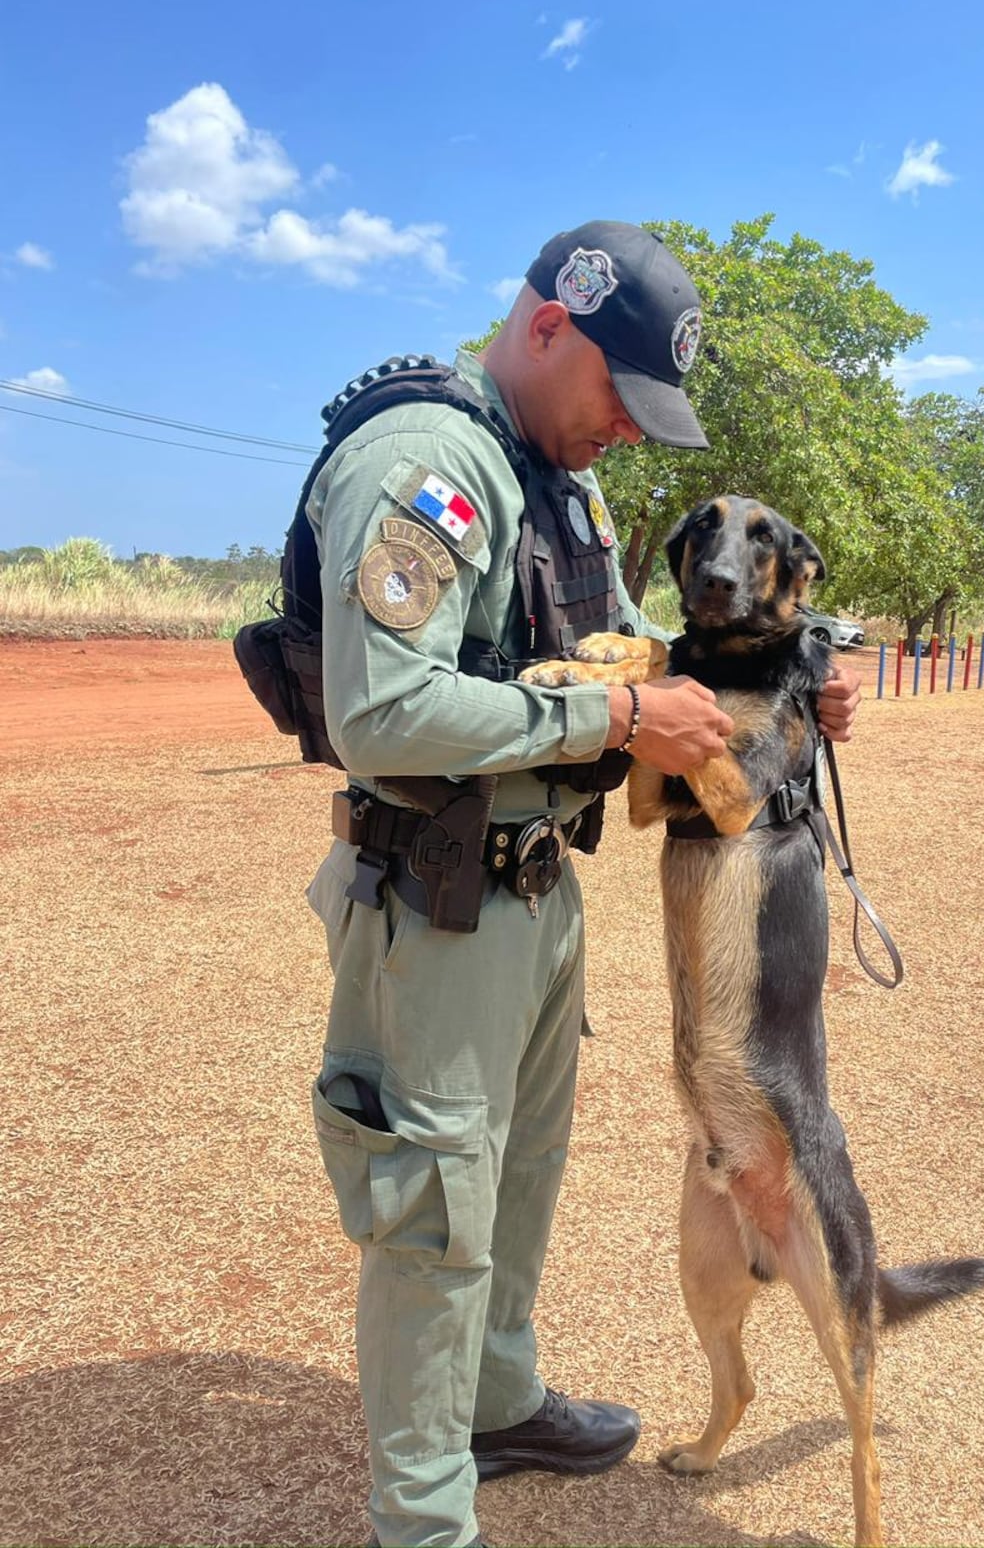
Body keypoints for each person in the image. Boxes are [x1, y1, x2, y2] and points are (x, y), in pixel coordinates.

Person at [303, 220, 862, 1547]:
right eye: (620, 396)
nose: (626, 431)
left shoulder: (559, 482)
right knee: (437, 1210)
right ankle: (425, 1519)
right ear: (551, 326)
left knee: (517, 1186)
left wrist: (787, 686)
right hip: (436, 904)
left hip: (540, 893)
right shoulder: (430, 464)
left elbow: (640, 648)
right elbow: (379, 710)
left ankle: (497, 1407)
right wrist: (610, 722)